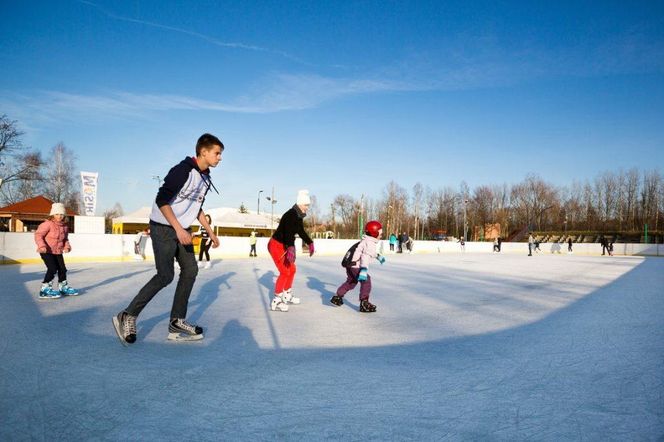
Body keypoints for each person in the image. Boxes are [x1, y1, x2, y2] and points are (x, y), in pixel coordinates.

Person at [112, 133, 223, 345]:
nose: (220, 158)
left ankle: (177, 321)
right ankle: (127, 315)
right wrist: (178, 229)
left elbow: (196, 206)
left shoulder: (205, 177)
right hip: (163, 227)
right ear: (204, 151)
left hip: (181, 229)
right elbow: (162, 200)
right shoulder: (182, 170)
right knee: (165, 275)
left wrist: (210, 230)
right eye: (217, 153)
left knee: (191, 269)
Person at [267, 189, 315, 312]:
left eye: (307, 205)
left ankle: (287, 294)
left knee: (292, 269)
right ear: (299, 204)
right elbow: (288, 233)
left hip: (284, 245)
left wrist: (310, 242)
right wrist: (290, 247)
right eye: (306, 205)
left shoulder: (298, 216)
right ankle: (277, 300)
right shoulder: (290, 215)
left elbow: (300, 231)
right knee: (284, 271)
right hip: (276, 245)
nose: (307, 208)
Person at [331, 220, 385, 313]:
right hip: (357, 266)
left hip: (350, 265)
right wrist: (363, 270)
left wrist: (378, 256)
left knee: (351, 282)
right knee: (366, 281)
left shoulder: (366, 240)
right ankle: (364, 302)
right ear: (374, 233)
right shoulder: (370, 243)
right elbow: (365, 256)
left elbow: (368, 252)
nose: (381, 235)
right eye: (380, 233)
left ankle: (337, 296)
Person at [34, 203, 79, 299]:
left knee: (62, 269)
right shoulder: (47, 224)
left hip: (58, 251)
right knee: (52, 269)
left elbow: (65, 239)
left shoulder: (64, 227)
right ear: (52, 214)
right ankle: (45, 289)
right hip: (46, 251)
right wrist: (42, 246)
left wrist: (67, 247)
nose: (59, 216)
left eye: (61, 214)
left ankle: (63, 287)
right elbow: (38, 235)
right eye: (57, 214)